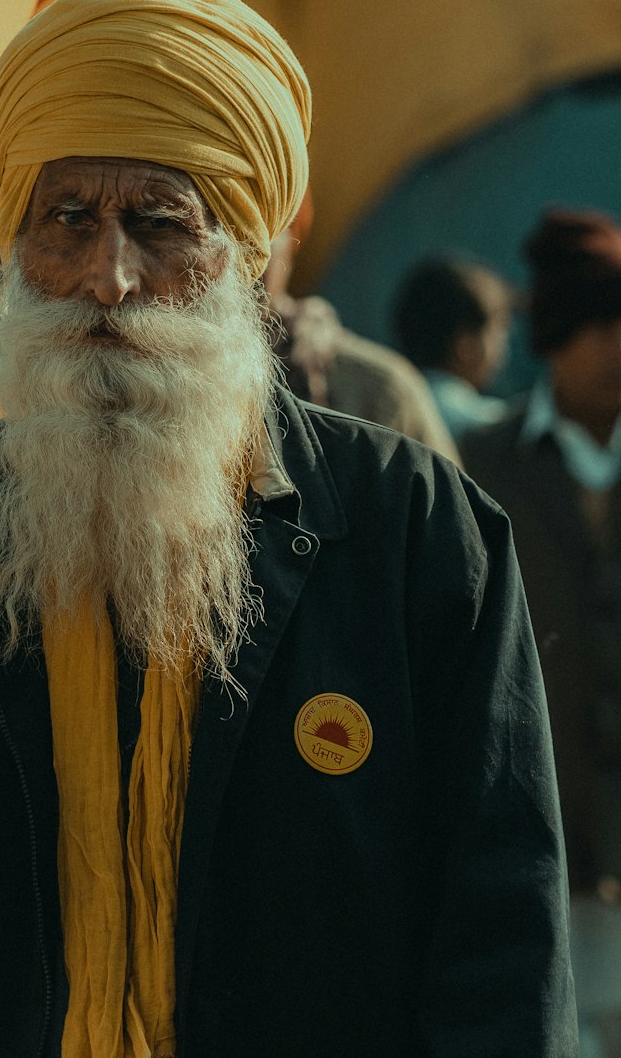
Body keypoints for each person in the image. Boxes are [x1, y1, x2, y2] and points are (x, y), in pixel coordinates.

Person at [0, 0, 576, 1056]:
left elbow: (502, 941)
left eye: (159, 223)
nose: (106, 277)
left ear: (248, 251)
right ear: (17, 244)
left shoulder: (414, 532)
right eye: (66, 218)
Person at [461, 209, 621, 1057]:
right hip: (538, 840)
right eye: (602, 327)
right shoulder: (480, 465)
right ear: (558, 337)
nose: (618, 348)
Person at [263, 215, 460, 461]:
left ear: (291, 241)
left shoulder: (381, 389)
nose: (229, 251)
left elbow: (440, 495)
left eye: (256, 229)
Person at [392, 256, 514, 443]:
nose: (505, 344)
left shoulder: (393, 408)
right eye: (500, 331)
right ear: (465, 346)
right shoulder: (488, 422)